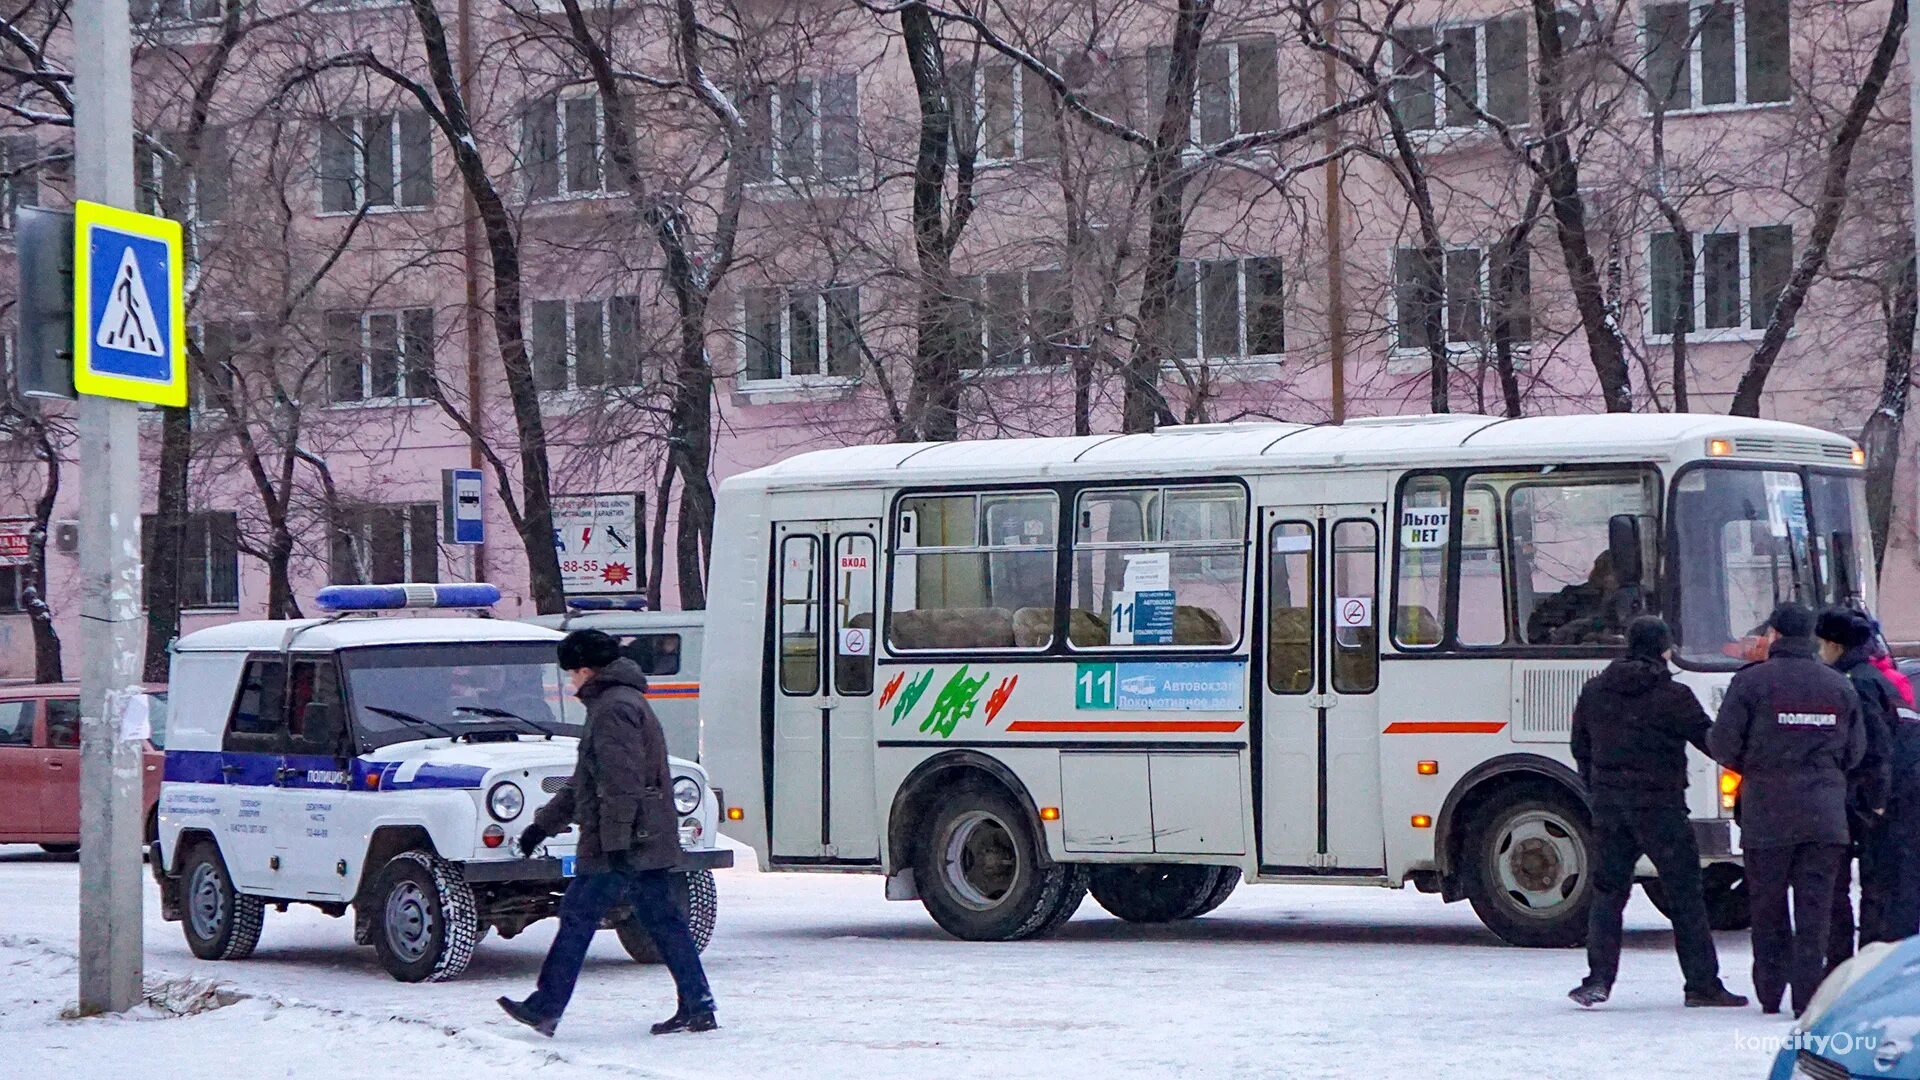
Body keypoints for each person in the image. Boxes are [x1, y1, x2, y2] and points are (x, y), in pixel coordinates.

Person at [497, 629, 716, 1038]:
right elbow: (584, 782)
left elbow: (622, 782)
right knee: (663, 919)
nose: (569, 682)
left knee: (578, 916)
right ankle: (698, 1004)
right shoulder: (616, 703)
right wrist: (540, 827)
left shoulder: (613, 709)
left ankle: (545, 1007)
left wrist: (615, 844)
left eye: (571, 673)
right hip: (642, 835)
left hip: (624, 841)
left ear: (585, 669)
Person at [1568, 616, 1748, 1009]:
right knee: (1685, 896)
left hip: (1612, 809)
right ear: (1664, 649)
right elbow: (1710, 741)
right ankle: (1702, 984)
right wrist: (1750, 757)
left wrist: (1598, 786)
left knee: (1608, 894)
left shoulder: (1596, 691)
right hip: (1661, 808)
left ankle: (1597, 979)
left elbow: (1579, 746)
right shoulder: (1673, 696)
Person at [1709, 602, 1865, 1017]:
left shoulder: (1750, 684)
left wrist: (1761, 766)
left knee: (1768, 905)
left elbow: (1722, 745)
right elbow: (1856, 752)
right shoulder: (1838, 686)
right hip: (1825, 817)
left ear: (1774, 635)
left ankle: (1770, 990)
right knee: (1817, 908)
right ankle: (1808, 996)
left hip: (1768, 814)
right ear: (1813, 638)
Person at [1815, 607, 1894, 971]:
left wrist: (1875, 800)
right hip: (1865, 797)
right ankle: (1857, 964)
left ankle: (1847, 967)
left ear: (1833, 644)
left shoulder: (1854, 682)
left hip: (1858, 799)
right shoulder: (1868, 676)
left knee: (1846, 888)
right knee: (1866, 888)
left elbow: (1876, 746)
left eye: (1821, 644)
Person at [1526, 551, 1622, 645]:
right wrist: (1571, 632)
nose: (1611, 579)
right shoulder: (1572, 598)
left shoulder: (1631, 604)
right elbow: (1536, 633)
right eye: (1607, 572)